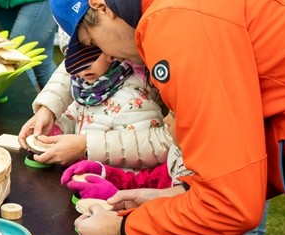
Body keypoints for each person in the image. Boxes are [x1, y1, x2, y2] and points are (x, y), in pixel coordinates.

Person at [49, 0, 285, 235]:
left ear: (101, 7)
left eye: (93, 43)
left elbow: (232, 205)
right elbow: (240, 156)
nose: (108, 56)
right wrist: (177, 195)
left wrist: (124, 232)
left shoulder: (175, 19)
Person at [63, 113, 245, 235]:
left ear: (199, 127)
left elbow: (183, 225)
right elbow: (146, 182)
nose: (165, 119)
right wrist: (104, 173)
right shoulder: (179, 158)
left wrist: (118, 213)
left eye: (174, 115)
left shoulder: (216, 193)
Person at [18, 38, 171, 168]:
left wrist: (86, 151)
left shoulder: (135, 101)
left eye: (91, 55)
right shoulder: (86, 85)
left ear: (112, 51)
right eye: (72, 57)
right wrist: (55, 130)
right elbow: (76, 113)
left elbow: (144, 154)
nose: (83, 67)